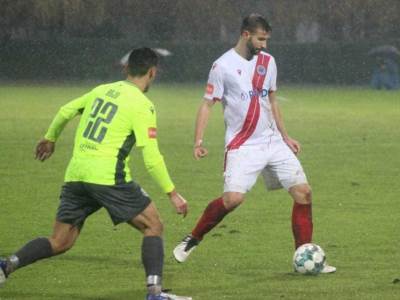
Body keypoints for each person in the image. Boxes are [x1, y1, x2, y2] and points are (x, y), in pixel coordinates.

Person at [0, 47, 192, 300]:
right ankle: (154, 294)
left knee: (60, 241)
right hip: (109, 177)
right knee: (154, 225)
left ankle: (6, 265)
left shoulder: (100, 90)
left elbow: (65, 111)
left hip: (77, 175)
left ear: (126, 69)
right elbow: (151, 156)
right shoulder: (142, 105)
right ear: (153, 72)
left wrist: (50, 138)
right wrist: (172, 193)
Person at [173, 14, 336, 274]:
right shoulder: (222, 66)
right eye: (261, 39)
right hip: (243, 145)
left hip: (272, 142)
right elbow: (207, 104)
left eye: (267, 39)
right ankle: (193, 237)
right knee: (233, 199)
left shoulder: (268, 62)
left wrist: (286, 136)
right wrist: (198, 141)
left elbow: (272, 101)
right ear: (245, 35)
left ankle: (303, 256)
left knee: (303, 193)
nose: (265, 45)